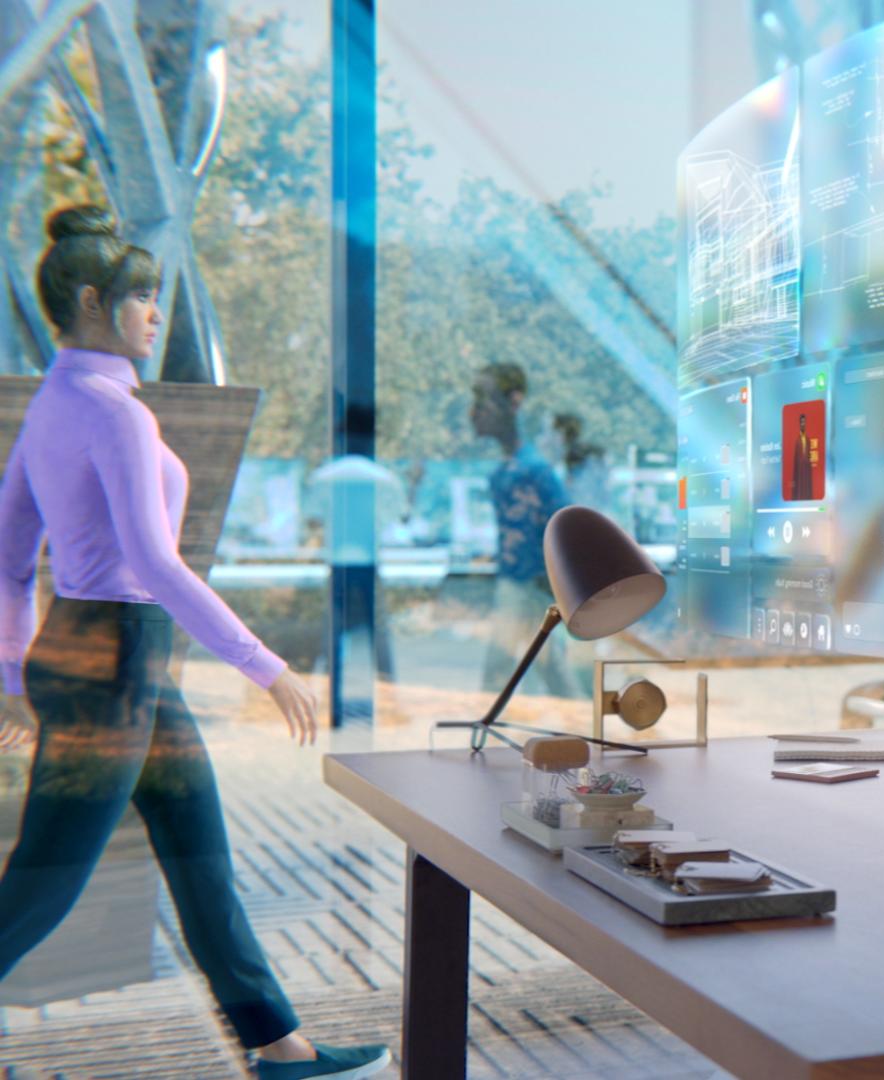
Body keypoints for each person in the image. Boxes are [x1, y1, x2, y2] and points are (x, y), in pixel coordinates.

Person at [0, 207, 389, 1078]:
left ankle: (278, 1045)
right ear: (93, 301)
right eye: (142, 297)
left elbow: (8, 558)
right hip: (116, 659)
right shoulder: (115, 414)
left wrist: (16, 674)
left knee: (201, 857)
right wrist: (266, 664)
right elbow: (153, 562)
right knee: (48, 878)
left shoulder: (53, 404)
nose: (155, 313)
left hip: (94, 657)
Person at [470, 362, 575, 695]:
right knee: (548, 669)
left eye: (483, 399)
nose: (475, 411)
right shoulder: (510, 471)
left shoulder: (534, 472)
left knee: (501, 672)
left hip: (527, 588)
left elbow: (567, 528)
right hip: (522, 586)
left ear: (513, 402)